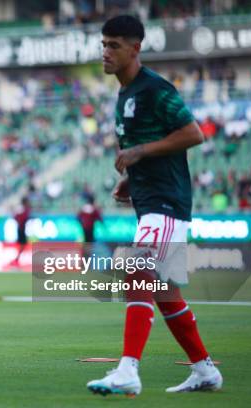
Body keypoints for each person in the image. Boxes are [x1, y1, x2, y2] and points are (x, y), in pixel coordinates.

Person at [87, 15, 222, 397]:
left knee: (136, 273)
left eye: (114, 45)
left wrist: (140, 152)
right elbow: (144, 150)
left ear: (136, 48)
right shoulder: (123, 96)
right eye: (104, 44)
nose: (106, 52)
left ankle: (128, 369)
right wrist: (131, 176)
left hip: (167, 202)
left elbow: (193, 133)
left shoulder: (154, 89)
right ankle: (204, 370)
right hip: (149, 202)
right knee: (164, 294)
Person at [11, 196, 31, 266]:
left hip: (22, 228)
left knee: (23, 245)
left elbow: (16, 217)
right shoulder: (23, 209)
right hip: (21, 229)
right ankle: (16, 259)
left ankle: (17, 259)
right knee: (22, 244)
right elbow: (17, 217)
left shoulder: (23, 209)